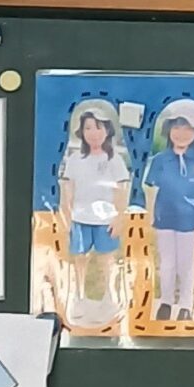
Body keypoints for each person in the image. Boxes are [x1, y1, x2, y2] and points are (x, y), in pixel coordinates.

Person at [142, 104, 194, 322]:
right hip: (164, 217)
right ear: (169, 131)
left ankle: (185, 304)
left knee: (186, 262)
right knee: (167, 263)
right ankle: (166, 301)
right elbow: (151, 188)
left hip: (189, 219)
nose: (181, 134)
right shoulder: (160, 160)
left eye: (187, 129)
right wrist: (149, 215)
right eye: (177, 128)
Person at [55, 107, 130, 321]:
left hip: (105, 220)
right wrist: (67, 216)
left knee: (107, 259)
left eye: (98, 127)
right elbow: (68, 188)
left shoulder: (114, 159)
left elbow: (121, 189)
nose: (93, 133)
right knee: (80, 258)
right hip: (80, 218)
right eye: (88, 128)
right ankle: (79, 297)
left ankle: (109, 297)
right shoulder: (75, 159)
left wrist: (119, 217)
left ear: (107, 130)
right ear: (81, 131)